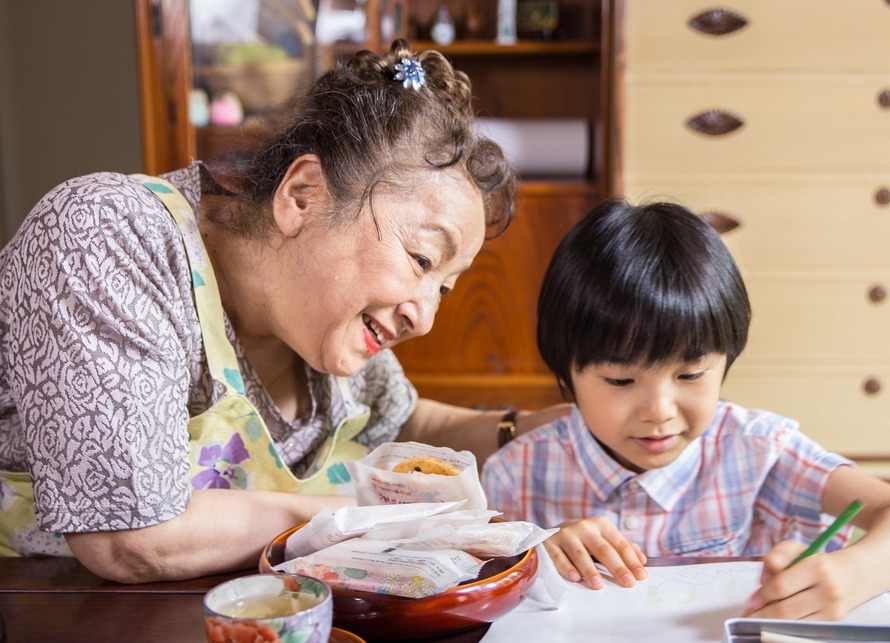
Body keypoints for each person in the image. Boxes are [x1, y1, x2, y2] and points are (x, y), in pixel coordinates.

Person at [0, 39, 565, 582]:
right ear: (303, 195)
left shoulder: (325, 322)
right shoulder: (111, 239)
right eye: (421, 259)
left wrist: (537, 428)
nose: (425, 319)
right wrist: (359, 517)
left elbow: (406, 423)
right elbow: (128, 538)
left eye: (444, 288)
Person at [481, 199, 890, 621]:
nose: (659, 411)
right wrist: (533, 554)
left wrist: (853, 573)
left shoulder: (760, 450)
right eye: (621, 380)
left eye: (690, 375)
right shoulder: (515, 474)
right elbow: (465, 582)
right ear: (565, 369)